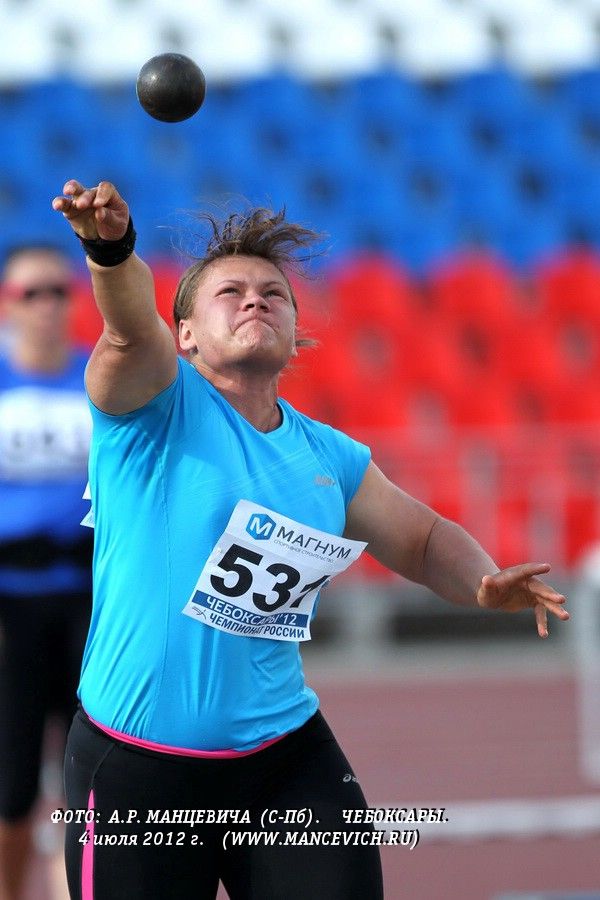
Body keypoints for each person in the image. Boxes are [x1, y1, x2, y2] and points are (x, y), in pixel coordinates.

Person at [52, 179, 569, 900]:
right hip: (138, 768)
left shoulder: (330, 457)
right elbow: (130, 330)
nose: (256, 301)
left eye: (274, 293)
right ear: (186, 334)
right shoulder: (152, 406)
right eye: (230, 292)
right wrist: (111, 250)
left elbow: (420, 539)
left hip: (282, 761)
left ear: (297, 333)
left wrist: (481, 582)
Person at [0, 242, 93, 900]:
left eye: (59, 290)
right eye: (31, 292)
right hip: (9, 605)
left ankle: (73, 888)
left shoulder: (98, 380)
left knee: (87, 768)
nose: (48, 304)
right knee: (11, 783)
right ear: (8, 304)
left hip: (90, 599)